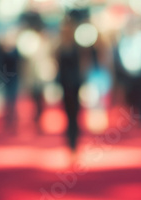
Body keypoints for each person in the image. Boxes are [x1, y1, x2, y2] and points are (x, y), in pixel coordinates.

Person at [57, 17, 83, 153]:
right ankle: (70, 141)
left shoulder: (77, 47)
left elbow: (82, 67)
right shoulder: (60, 47)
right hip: (65, 87)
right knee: (68, 115)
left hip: (76, 86)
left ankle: (75, 140)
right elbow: (58, 68)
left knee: (75, 115)